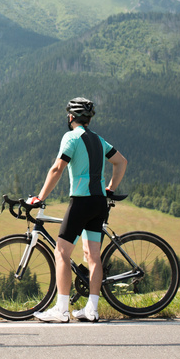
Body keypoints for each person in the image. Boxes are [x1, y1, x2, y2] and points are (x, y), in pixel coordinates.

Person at [28, 97, 127, 323]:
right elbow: (122, 162)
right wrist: (110, 187)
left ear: (71, 117)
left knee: (61, 252)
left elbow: (57, 169)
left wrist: (40, 197)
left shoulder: (71, 137)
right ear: (89, 118)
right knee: (93, 257)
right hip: (99, 202)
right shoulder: (99, 140)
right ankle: (91, 309)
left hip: (81, 201)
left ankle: (62, 310)